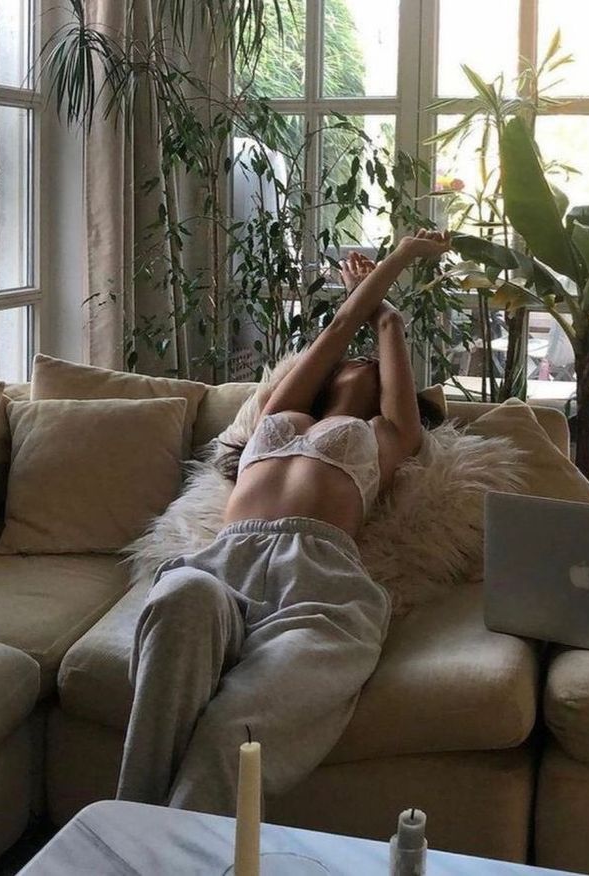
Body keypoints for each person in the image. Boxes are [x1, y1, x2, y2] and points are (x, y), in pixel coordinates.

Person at [116, 229, 450, 814]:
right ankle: (133, 833)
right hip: (224, 563)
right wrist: (390, 266)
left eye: (376, 364)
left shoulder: (386, 435)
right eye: (355, 357)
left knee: (232, 736)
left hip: (319, 586)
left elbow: (381, 329)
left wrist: (388, 314)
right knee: (181, 597)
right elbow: (344, 323)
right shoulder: (281, 413)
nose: (363, 360)